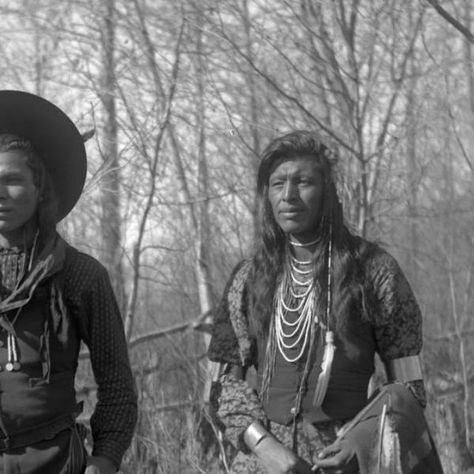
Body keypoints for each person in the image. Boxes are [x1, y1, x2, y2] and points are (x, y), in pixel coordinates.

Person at [208, 131, 443, 473]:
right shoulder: (248, 278)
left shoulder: (374, 270)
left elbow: (407, 390)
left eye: (302, 182)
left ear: (327, 194)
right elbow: (222, 386)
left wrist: (358, 444)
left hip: (345, 459)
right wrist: (265, 447)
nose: (289, 196)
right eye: (277, 184)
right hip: (262, 462)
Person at [0, 90, 137, 474]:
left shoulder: (79, 274)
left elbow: (116, 383)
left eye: (12, 180)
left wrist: (106, 457)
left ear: (39, 187)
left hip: (58, 461)